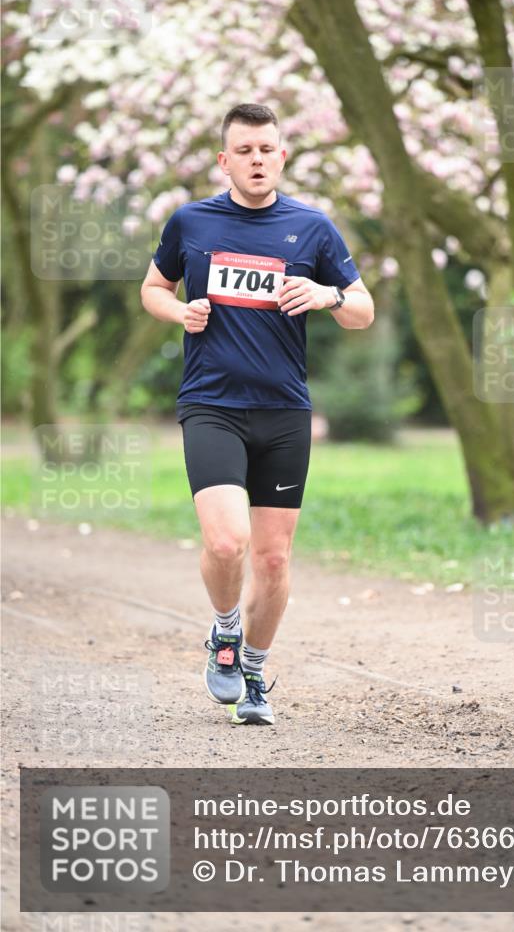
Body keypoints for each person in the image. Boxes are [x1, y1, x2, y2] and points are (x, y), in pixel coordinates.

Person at [140, 103, 374, 725]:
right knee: (226, 540)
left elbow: (362, 311)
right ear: (225, 161)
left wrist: (328, 295)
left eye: (267, 149)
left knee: (272, 559)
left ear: (283, 156)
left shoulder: (312, 227)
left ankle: (255, 675)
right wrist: (179, 313)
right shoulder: (190, 223)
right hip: (212, 404)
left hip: (283, 411)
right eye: (244, 151)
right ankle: (224, 631)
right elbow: (153, 289)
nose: (257, 160)